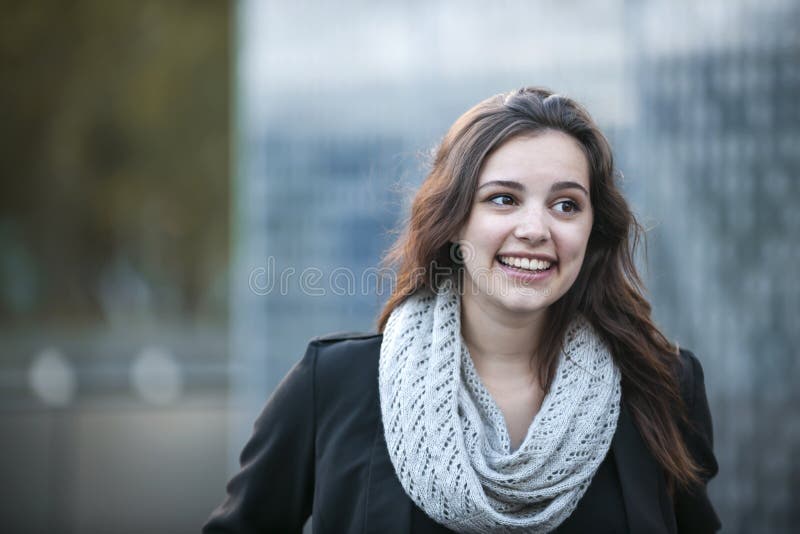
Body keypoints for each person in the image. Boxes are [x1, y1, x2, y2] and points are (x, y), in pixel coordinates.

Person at [203, 87, 721, 533]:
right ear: (452, 221)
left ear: (593, 229)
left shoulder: (664, 386)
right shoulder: (334, 385)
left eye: (566, 204)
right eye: (502, 199)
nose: (536, 229)